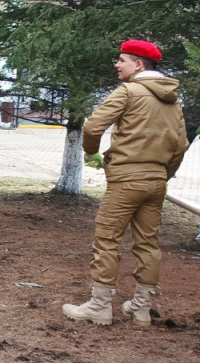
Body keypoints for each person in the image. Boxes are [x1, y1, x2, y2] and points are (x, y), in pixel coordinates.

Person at [63, 40, 189, 327]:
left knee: (107, 239)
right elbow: (181, 146)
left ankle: (99, 307)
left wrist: (91, 152)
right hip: (156, 182)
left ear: (139, 65)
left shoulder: (129, 91)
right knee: (148, 245)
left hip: (126, 180)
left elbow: (93, 126)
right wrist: (162, 174)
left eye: (122, 60)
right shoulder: (173, 100)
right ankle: (141, 309)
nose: (117, 64)